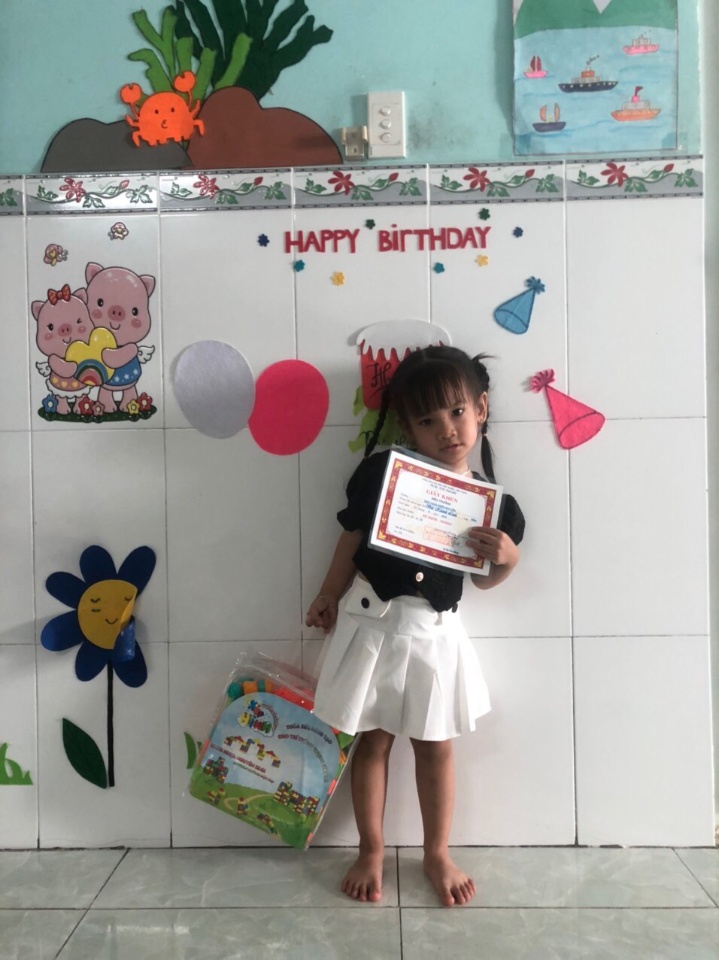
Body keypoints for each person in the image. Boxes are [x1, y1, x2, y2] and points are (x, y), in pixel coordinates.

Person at [305, 345, 525, 907]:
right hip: (372, 623)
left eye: (457, 411)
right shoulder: (382, 473)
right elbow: (351, 538)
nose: (446, 429)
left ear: (481, 409)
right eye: (427, 420)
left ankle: (437, 853)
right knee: (372, 740)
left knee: (435, 746)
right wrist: (327, 594)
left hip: (434, 633)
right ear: (407, 427)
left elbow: (483, 584)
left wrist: (508, 559)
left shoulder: (494, 507)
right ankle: (370, 850)